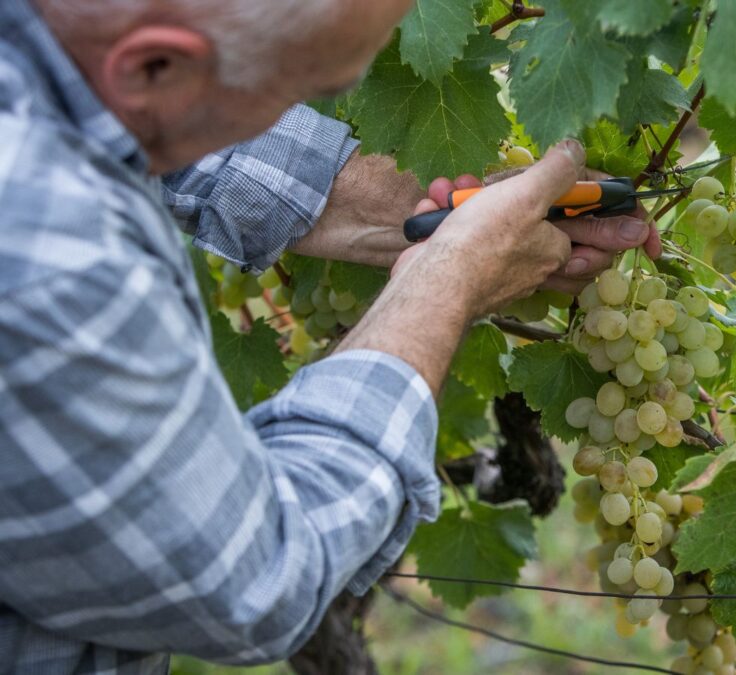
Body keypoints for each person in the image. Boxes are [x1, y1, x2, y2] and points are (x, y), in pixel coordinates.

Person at [0, 0, 659, 672]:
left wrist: (406, 210)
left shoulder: (57, 43)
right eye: (303, 92)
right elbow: (255, 579)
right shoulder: (46, 264)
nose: (301, 114)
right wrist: (449, 277)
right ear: (153, 66)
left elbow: (149, 113)